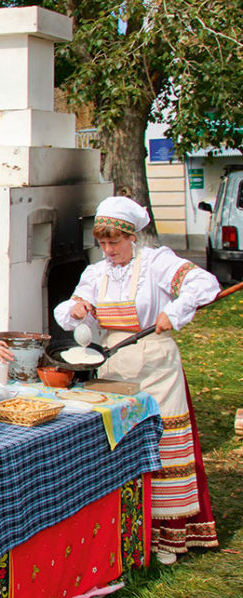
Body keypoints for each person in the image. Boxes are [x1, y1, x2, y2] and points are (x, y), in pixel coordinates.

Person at [54, 196, 219, 565]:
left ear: (132, 237)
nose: (109, 250)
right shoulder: (97, 273)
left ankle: (167, 538)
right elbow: (66, 311)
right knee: (121, 442)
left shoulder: (157, 263)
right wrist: (78, 309)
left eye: (115, 242)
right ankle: (127, 531)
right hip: (114, 364)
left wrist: (173, 312)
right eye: (103, 243)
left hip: (156, 364)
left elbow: (204, 284)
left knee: (163, 443)